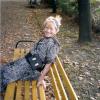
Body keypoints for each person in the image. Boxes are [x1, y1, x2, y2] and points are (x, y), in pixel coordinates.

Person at [0, 15, 62, 93]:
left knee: (7, 74)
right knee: (6, 69)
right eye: (46, 27)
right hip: (27, 62)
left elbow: (48, 63)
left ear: (56, 31)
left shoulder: (53, 45)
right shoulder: (44, 39)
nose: (48, 30)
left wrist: (41, 78)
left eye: (51, 29)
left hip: (32, 69)